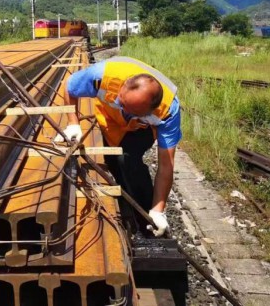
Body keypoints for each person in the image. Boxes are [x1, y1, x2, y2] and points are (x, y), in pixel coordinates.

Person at [57, 56, 181, 237]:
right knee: (114, 163)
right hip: (110, 120)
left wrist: (158, 209)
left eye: (133, 111)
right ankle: (123, 200)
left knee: (129, 161)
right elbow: (69, 87)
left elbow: (166, 165)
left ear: (150, 110)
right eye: (123, 103)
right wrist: (73, 123)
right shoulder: (101, 77)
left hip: (140, 128)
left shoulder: (168, 112)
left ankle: (147, 218)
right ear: (123, 87)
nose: (126, 111)